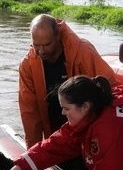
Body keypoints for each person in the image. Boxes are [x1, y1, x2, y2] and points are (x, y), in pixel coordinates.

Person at [18, 14, 116, 148]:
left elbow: (110, 88)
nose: (41, 51)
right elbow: (29, 113)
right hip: (55, 135)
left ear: (57, 36)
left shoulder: (83, 51)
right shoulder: (27, 65)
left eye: (46, 45)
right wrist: (32, 152)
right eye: (36, 45)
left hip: (88, 133)